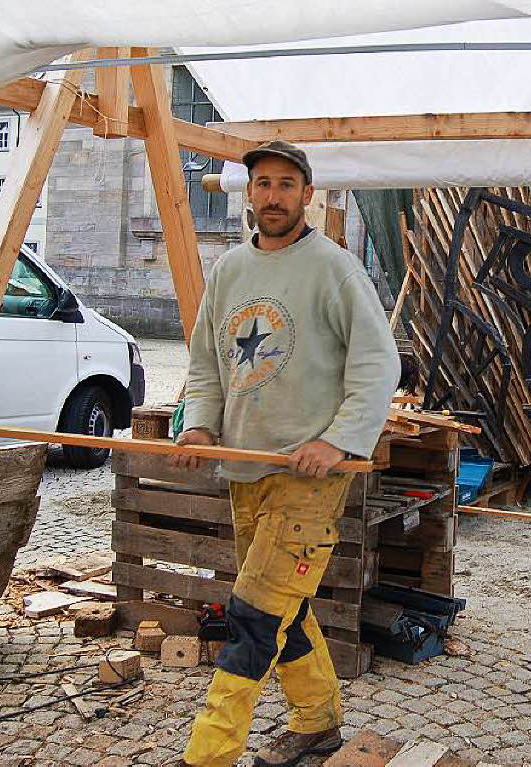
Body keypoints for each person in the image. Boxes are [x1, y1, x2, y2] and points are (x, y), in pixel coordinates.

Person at [172, 140, 400, 767]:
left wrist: (338, 439)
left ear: (307, 192)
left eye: (286, 184)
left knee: (251, 615)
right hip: (246, 470)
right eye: (263, 183)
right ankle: (318, 721)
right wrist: (198, 428)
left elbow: (378, 363)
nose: (273, 195)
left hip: (309, 476)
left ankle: (208, 755)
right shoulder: (228, 272)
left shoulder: (335, 269)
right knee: (282, 609)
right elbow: (206, 365)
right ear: (250, 193)